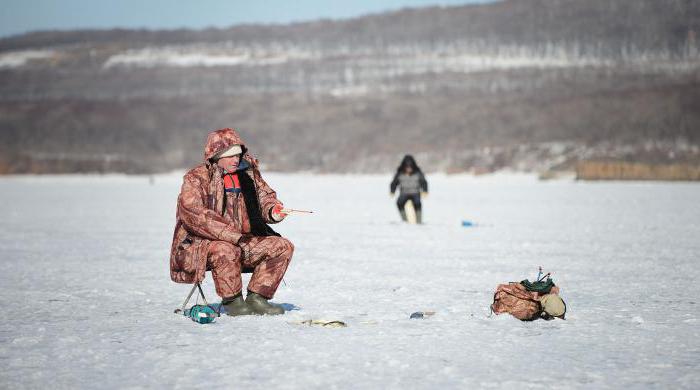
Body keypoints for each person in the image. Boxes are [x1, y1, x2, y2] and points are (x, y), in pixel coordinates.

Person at [169, 128, 294, 316]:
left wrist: (273, 211)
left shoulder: (248, 175)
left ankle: (258, 298)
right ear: (216, 155)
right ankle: (233, 301)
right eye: (230, 156)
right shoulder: (196, 178)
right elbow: (194, 214)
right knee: (227, 249)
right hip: (199, 247)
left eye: (238, 155)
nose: (236, 160)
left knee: (282, 246)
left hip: (241, 241)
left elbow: (265, 198)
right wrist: (233, 236)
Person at [390, 155, 428, 223]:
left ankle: (419, 221)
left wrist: (425, 190)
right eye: (407, 167)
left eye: (410, 167)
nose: (409, 169)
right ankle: (405, 220)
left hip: (415, 192)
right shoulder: (399, 173)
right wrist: (392, 191)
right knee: (399, 203)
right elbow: (394, 183)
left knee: (417, 203)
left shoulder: (418, 173)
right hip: (404, 193)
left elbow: (424, 182)